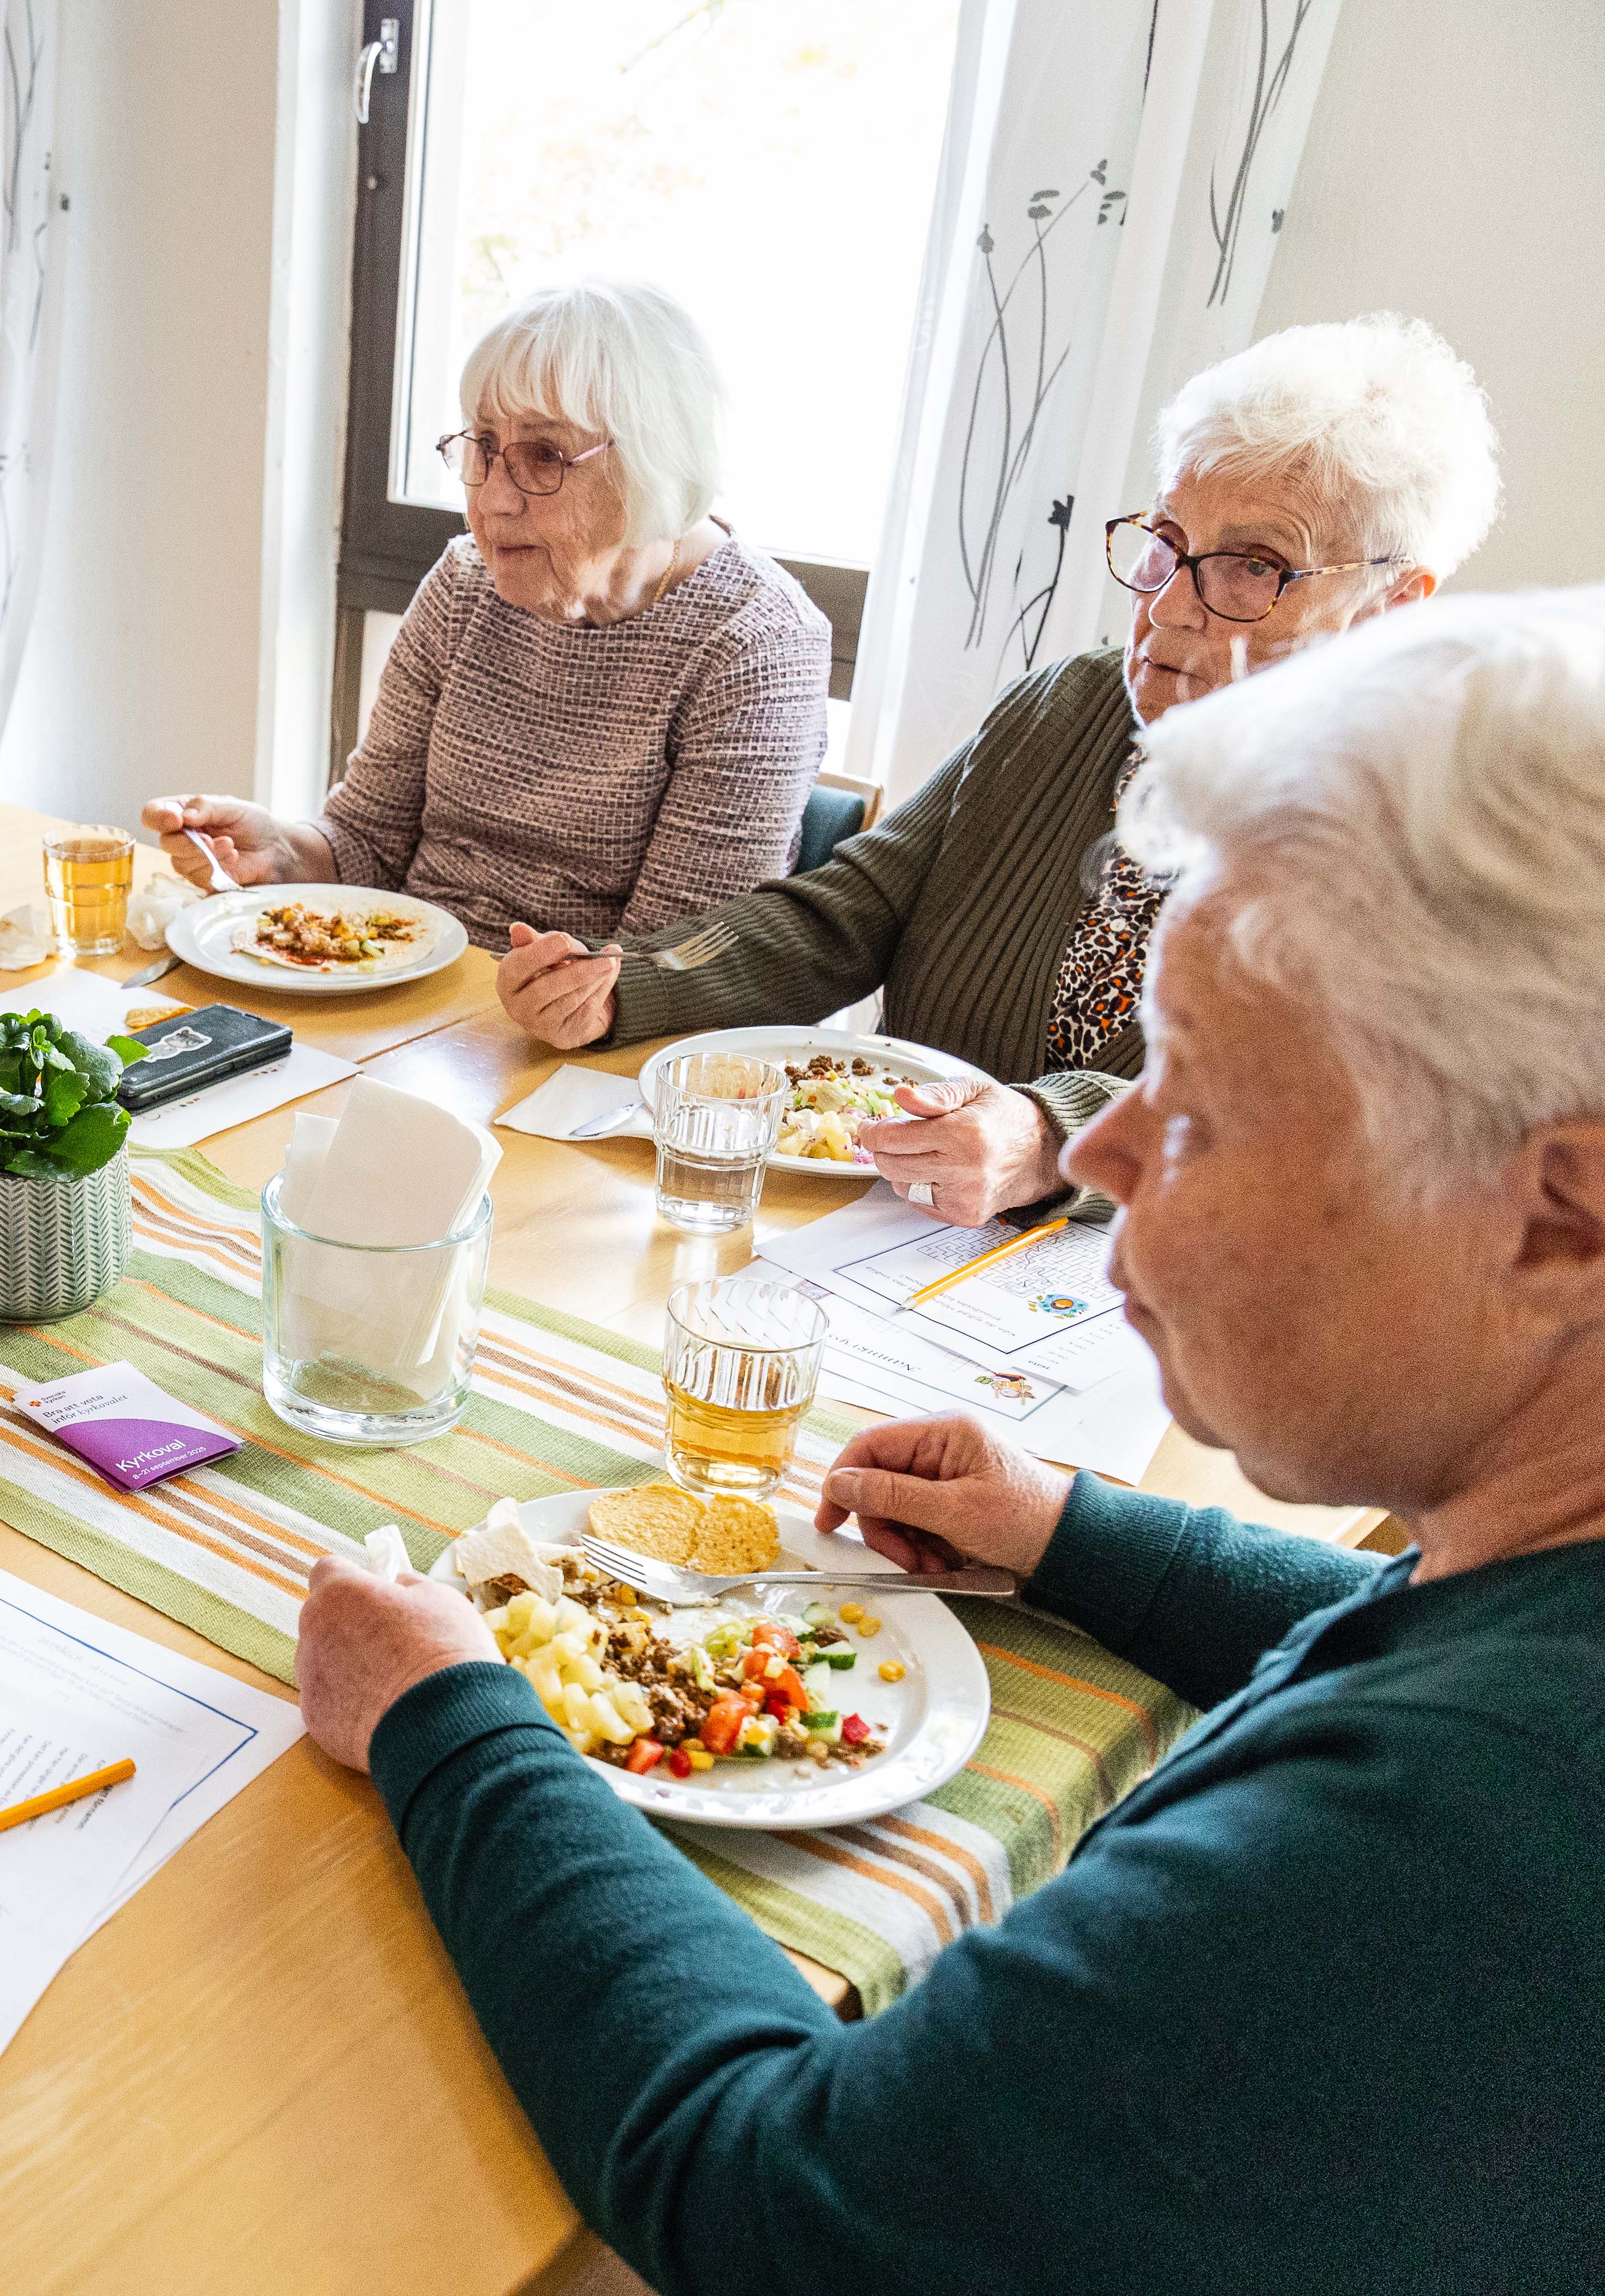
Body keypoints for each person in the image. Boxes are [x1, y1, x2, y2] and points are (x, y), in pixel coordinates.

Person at [292, 589, 1605, 2290]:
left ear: (1557, 1215)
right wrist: (1072, 1527)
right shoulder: (1523, 1603)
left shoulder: (1448, 1850)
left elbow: (771, 2191)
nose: (1110, 1145)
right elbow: (1405, 1626)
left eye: (1195, 1097)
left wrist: (448, 1724)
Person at [489, 313, 1499, 1226]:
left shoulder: (1425, 842)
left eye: (1254, 567)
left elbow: (1300, 1117)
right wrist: (632, 980)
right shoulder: (1070, 707)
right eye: (1167, 541)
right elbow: (851, 913)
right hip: (886, 1240)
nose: (1171, 605)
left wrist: (1051, 1140)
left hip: (1156, 1306)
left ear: (1392, 607)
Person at [146, 280, 828, 952]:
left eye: (544, 456)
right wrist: (283, 855)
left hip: (578, 1040)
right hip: (410, 989)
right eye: (484, 447)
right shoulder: (466, 582)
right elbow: (366, 842)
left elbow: (670, 965)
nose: (494, 499)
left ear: (653, 462)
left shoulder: (757, 647)